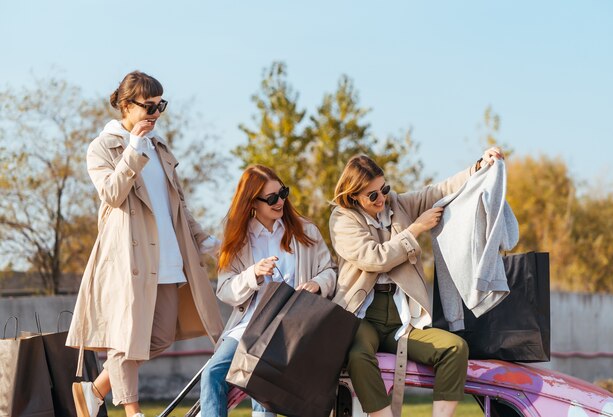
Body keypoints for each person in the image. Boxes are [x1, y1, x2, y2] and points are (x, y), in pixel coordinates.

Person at [66, 71, 224, 417]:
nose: (155, 112)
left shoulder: (160, 148)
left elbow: (178, 206)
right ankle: (133, 411)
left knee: (159, 337)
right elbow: (111, 193)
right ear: (126, 105)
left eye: (160, 105)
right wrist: (134, 148)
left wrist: (207, 241)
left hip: (168, 258)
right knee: (128, 337)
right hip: (130, 259)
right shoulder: (103, 147)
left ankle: (94, 391)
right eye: (148, 106)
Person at [329, 148, 503, 417]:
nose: (381, 199)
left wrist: (479, 166)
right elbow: (374, 258)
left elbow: (436, 192)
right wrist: (415, 229)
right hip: (363, 315)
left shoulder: (396, 205)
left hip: (404, 318)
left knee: (455, 348)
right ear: (353, 196)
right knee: (358, 356)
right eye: (372, 195)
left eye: (383, 189)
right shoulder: (342, 220)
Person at [200, 165, 336, 417]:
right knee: (212, 372)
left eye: (282, 193)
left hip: (293, 325)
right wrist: (253, 274)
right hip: (250, 325)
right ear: (253, 202)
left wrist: (317, 284)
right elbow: (226, 290)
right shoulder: (238, 240)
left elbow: (329, 270)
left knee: (260, 371)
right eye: (272, 198)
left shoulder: (305, 231)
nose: (280, 201)